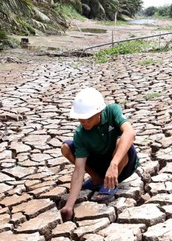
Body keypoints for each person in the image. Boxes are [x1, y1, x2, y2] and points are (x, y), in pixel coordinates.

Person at [59, 87, 139, 221]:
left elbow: (130, 133)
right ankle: (97, 179)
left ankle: (110, 184)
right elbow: (79, 170)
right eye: (81, 118)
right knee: (66, 146)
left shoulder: (112, 111)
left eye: (88, 118)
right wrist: (69, 206)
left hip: (123, 165)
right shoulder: (80, 134)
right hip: (101, 165)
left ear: (99, 112)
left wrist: (113, 165)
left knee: (122, 141)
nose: (84, 122)